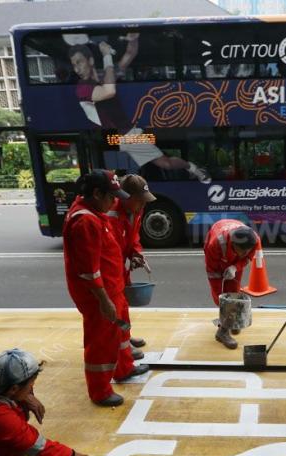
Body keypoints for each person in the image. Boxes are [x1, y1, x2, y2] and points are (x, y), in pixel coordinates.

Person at [68, 35, 211, 183]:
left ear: (90, 61)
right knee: (122, 177)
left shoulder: (106, 75)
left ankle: (193, 168)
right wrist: (107, 56)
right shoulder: (82, 88)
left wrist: (133, 37)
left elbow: (130, 54)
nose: (77, 69)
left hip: (128, 135)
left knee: (165, 164)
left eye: (79, 62)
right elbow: (109, 91)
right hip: (111, 138)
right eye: (74, 65)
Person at [63, 169, 149, 407]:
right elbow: (89, 271)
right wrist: (103, 300)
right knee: (101, 340)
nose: (115, 201)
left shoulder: (95, 214)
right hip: (99, 294)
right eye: (111, 196)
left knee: (119, 331)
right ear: (96, 193)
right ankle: (100, 390)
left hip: (113, 286)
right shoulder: (86, 221)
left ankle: (123, 368)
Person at [106, 174, 156, 360]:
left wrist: (136, 253)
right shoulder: (110, 213)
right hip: (111, 268)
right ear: (126, 197)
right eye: (139, 201)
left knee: (123, 303)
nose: (143, 205)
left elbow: (134, 236)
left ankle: (125, 336)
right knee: (116, 306)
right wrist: (126, 261)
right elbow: (110, 249)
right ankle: (121, 344)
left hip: (122, 265)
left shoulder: (136, 210)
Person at [203, 219, 260, 349]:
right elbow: (212, 274)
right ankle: (222, 332)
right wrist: (221, 301)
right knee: (224, 299)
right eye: (241, 251)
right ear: (232, 244)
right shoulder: (215, 244)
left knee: (234, 291)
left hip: (232, 262)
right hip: (216, 257)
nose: (244, 254)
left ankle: (230, 321)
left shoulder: (254, 241)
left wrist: (235, 267)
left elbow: (247, 258)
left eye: (247, 251)